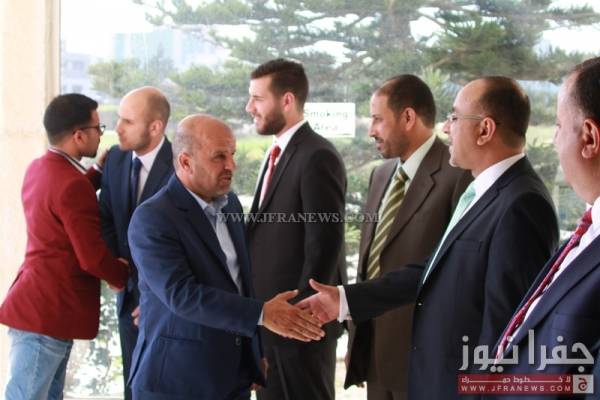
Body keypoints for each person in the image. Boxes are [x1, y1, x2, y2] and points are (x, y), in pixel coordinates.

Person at [299, 77, 559, 399]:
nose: (446, 128)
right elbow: (433, 270)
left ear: (484, 130)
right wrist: (345, 299)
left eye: (454, 117)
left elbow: (507, 331)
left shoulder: (522, 203)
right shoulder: (483, 191)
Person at [127, 114, 325, 400]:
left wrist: (254, 353)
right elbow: (183, 295)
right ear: (185, 162)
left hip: (234, 378)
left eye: (232, 154)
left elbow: (241, 282)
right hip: (176, 382)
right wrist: (263, 314)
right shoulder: (152, 218)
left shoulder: (230, 203)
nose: (231, 165)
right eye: (219, 156)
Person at [345, 75, 471, 399]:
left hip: (424, 360)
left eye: (377, 119)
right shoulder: (381, 174)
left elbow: (457, 273)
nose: (371, 130)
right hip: (374, 356)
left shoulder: (459, 174)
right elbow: (371, 260)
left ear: (408, 118)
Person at [0, 93, 129, 400]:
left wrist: (96, 173)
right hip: (47, 313)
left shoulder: (40, 168)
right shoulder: (72, 183)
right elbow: (91, 257)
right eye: (98, 127)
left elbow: (64, 199)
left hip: (39, 307)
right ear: (78, 135)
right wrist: (122, 275)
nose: (102, 134)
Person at [488, 57, 600, 399]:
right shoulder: (586, 233)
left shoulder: (522, 200)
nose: (553, 140)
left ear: (589, 138)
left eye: (559, 125)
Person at [245, 58, 347, 400]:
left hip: (298, 330)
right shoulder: (276, 152)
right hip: (272, 327)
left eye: (257, 99)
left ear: (286, 100)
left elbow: (324, 243)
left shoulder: (318, 155)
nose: (249, 107)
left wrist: (298, 321)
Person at [98, 86, 173, 399]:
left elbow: (188, 243)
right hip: (127, 296)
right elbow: (106, 217)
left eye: (127, 121)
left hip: (169, 305)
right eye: (119, 119)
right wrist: (117, 267)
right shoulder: (115, 159)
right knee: (132, 386)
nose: (117, 128)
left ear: (155, 127)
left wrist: (158, 298)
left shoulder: (182, 165)